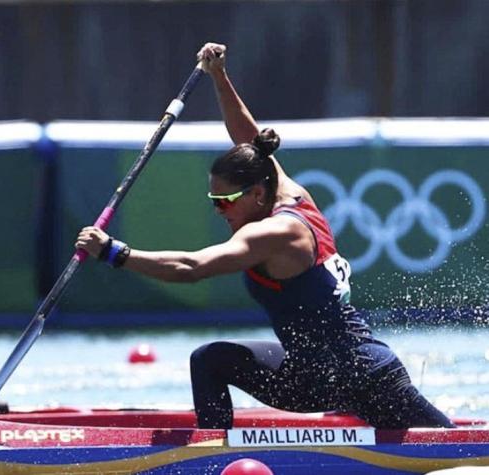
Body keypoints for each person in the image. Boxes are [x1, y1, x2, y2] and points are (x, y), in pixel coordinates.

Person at [75, 42, 454, 430]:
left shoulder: (278, 231)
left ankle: (212, 460)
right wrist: (219, 77)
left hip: (364, 375)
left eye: (226, 202)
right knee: (209, 360)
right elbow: (250, 140)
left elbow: (192, 267)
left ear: (257, 194)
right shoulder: (282, 188)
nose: (220, 211)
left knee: (457, 448)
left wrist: (114, 252)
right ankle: (214, 457)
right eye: (213, 201)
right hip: (315, 375)